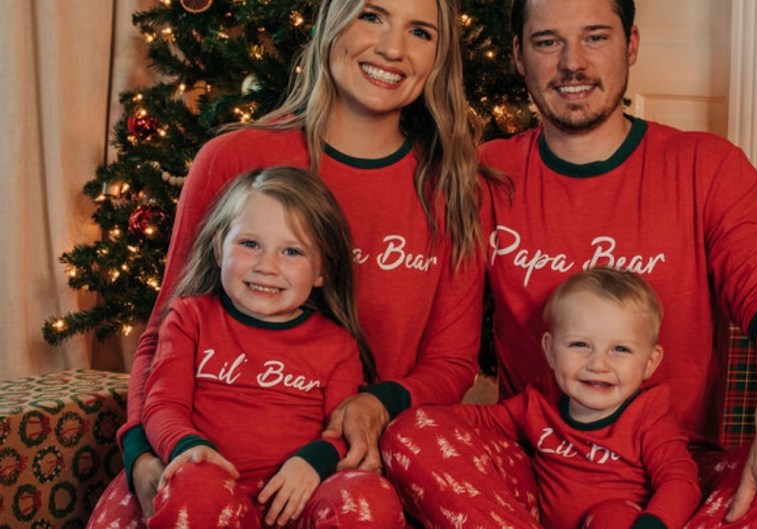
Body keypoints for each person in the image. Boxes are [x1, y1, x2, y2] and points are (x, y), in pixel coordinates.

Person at [383, 1, 757, 528]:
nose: (573, 62)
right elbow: (451, 354)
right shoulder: (485, 176)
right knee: (410, 435)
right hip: (535, 469)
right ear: (519, 56)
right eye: (548, 42)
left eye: (595, 37)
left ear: (630, 44)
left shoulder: (707, 166)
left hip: (680, 475)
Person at [88, 0, 486, 527]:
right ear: (330, 24)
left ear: (440, 56)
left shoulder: (451, 189)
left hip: (342, 470)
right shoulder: (234, 158)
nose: (393, 48)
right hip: (198, 463)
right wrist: (141, 452)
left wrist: (374, 406)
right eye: (371, 16)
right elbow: (164, 332)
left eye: (420, 32)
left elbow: (451, 363)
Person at [141, 166, 406, 528]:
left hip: (299, 497)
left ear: (321, 271)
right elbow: (162, 404)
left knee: (369, 496)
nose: (267, 266)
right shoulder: (190, 318)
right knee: (194, 485)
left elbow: (343, 431)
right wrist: (187, 447)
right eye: (250, 244)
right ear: (219, 248)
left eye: (292, 251)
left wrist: (314, 461)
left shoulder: (336, 344)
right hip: (212, 490)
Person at [389, 267, 701, 529]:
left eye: (620, 349)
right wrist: (423, 423)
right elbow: (479, 421)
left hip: (620, 521)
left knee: (614, 517)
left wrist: (653, 524)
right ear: (551, 351)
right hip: (529, 520)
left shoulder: (649, 415)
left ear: (650, 363)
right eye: (580, 345)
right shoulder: (539, 401)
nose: (598, 364)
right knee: (422, 427)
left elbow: (680, 480)